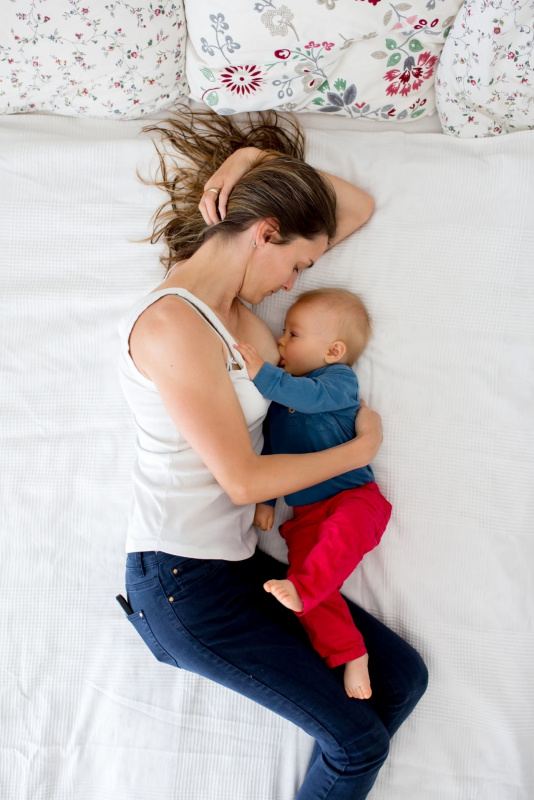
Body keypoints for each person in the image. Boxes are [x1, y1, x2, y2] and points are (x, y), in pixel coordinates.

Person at [118, 106, 428, 800]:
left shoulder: (240, 320)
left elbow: (355, 206)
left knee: (402, 678)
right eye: (297, 264)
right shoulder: (174, 323)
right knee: (355, 745)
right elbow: (241, 479)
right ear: (265, 233)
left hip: (232, 569)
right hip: (182, 585)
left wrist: (250, 159)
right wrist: (363, 446)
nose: (295, 283)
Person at [234, 288, 392, 702]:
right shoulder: (276, 406)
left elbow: (308, 398)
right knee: (305, 587)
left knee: (329, 551)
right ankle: (350, 651)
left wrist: (264, 373)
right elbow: (271, 452)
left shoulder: (338, 382)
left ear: (333, 351)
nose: (281, 342)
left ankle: (306, 590)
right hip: (304, 516)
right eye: (284, 332)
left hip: (354, 499)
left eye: (294, 334)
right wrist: (266, 502)